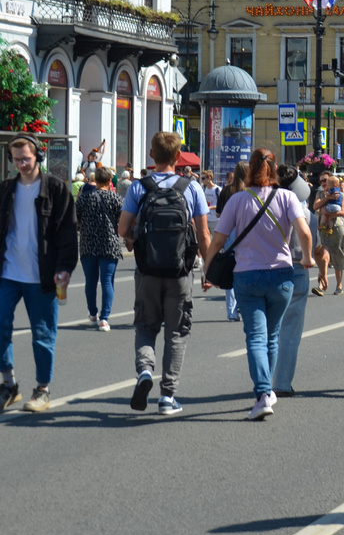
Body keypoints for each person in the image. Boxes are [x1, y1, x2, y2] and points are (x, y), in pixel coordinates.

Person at [205, 149, 314, 420]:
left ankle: (263, 393)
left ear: (250, 170)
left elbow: (218, 240)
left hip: (247, 276)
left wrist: (207, 269)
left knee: (255, 336)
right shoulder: (288, 197)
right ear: (274, 169)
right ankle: (269, 391)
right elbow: (305, 231)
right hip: (282, 276)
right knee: (272, 336)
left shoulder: (238, 200)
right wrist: (308, 258)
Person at [117, 131, 210, 416]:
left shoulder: (138, 187)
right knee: (177, 332)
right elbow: (204, 233)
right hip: (180, 272)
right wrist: (208, 268)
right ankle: (168, 396)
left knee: (146, 327)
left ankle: (145, 370)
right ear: (178, 157)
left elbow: (122, 229)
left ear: (151, 154)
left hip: (147, 270)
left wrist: (136, 239)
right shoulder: (191, 188)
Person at [0, 135, 78, 413]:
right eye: (16, 158)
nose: (20, 163)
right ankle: (8, 385)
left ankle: (42, 389)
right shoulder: (6, 189)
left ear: (38, 157)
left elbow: (67, 234)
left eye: (26, 158)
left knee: (42, 334)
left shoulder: (56, 190)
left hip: (42, 276)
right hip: (8, 273)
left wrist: (65, 269)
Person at [272, 165, 312, 397]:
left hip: (267, 269)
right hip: (297, 270)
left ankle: (263, 380)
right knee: (290, 332)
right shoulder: (307, 215)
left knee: (267, 331)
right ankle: (283, 383)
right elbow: (313, 244)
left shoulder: (262, 207)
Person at [77, 167, 124, 332]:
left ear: (95, 180)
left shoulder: (84, 198)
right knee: (107, 280)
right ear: (110, 181)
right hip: (109, 244)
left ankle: (92, 314)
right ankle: (104, 318)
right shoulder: (116, 198)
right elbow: (123, 221)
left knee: (90, 281)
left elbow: (75, 219)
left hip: (88, 244)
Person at [216, 162, 249, 320]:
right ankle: (242, 305)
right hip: (247, 231)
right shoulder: (250, 191)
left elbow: (218, 214)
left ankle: (231, 312)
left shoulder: (227, 190)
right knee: (246, 268)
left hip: (229, 231)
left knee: (231, 269)